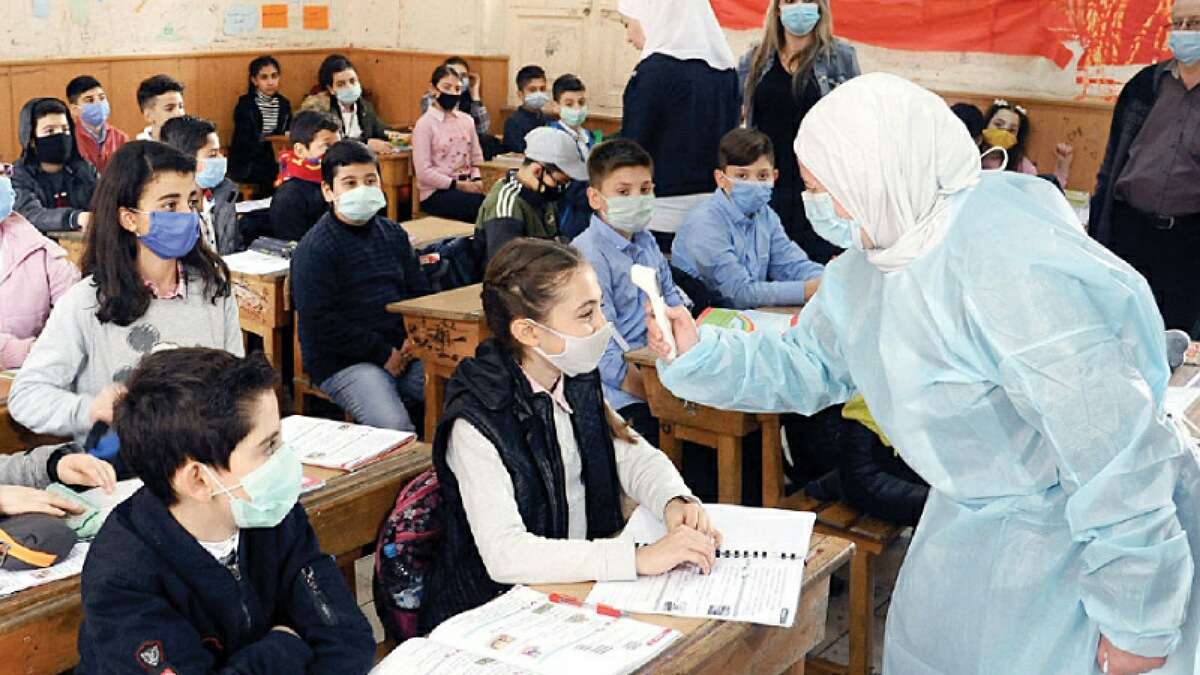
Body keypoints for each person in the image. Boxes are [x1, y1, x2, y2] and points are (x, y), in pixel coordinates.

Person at [643, 72, 1200, 675]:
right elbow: (808, 361)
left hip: (1075, 544)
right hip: (965, 524)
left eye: (820, 188)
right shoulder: (872, 265)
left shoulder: (1006, 261)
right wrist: (701, 354)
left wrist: (1136, 614)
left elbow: (1111, 447)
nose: (813, 205)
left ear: (876, 173)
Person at [420, 238, 719, 631]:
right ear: (528, 331)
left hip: (578, 585)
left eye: (600, 308)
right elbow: (506, 554)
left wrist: (673, 500)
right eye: (586, 314)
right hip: (498, 609)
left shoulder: (572, 374)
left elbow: (631, 452)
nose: (603, 325)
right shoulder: (477, 419)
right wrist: (636, 558)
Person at [76, 348, 375, 674]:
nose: (286, 459)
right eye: (269, 446)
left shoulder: (272, 512)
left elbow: (348, 638)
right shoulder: (123, 579)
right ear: (199, 480)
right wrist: (284, 647)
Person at [8, 141, 243, 447]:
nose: (187, 215)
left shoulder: (214, 289)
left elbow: (237, 386)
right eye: (170, 205)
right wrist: (89, 409)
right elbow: (26, 396)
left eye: (192, 202)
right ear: (129, 218)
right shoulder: (86, 303)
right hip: (120, 465)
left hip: (203, 458)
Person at [291, 140, 430, 432]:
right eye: (350, 183)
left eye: (370, 181)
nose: (362, 190)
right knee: (395, 428)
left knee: (461, 395)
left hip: (404, 349)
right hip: (344, 360)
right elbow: (320, 323)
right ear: (328, 191)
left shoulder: (394, 234)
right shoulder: (314, 249)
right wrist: (383, 354)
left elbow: (419, 292)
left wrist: (413, 337)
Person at [1091, 0, 1200, 338]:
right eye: (1178, 24)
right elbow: (1111, 163)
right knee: (1116, 330)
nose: (1184, 32)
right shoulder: (1143, 85)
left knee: (1172, 336)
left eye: (1195, 23)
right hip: (1129, 230)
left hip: (1187, 241)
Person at [572, 139, 689, 445]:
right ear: (595, 198)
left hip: (662, 367)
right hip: (622, 389)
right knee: (685, 448)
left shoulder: (645, 240)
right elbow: (602, 349)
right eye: (623, 192)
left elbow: (672, 300)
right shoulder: (588, 255)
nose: (637, 199)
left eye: (645, 190)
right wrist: (660, 395)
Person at [737, 0, 859, 263]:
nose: (800, 7)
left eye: (808, 0)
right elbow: (741, 118)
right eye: (791, 1)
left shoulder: (841, 57)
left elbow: (855, 124)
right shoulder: (755, 58)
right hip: (769, 186)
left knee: (819, 268)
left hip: (820, 188)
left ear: (821, 7)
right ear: (778, 8)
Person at [618, 0, 740, 251]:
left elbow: (632, 148)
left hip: (660, 216)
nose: (628, 37)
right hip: (714, 215)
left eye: (628, 24)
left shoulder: (653, 73)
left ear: (652, 17)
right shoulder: (725, 72)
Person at [672, 128, 823, 309]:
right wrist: (806, 290)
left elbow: (790, 265)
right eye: (742, 176)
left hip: (745, 316)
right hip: (702, 318)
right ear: (720, 178)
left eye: (762, 176)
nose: (753, 184)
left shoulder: (765, 214)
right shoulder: (705, 223)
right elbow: (738, 294)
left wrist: (829, 280)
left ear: (774, 177)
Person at [0, 174, 80, 369]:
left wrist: (51, 347)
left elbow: (79, 310)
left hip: (34, 373)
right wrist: (27, 350)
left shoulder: (36, 248)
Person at [474, 127, 583, 263]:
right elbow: (505, 267)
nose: (561, 188)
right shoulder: (506, 204)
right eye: (559, 182)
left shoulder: (543, 196)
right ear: (537, 171)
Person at [11, 97, 99, 233]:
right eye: (50, 131)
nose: (60, 136)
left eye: (65, 130)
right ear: (32, 140)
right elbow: (30, 214)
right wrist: (74, 218)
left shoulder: (85, 170)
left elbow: (106, 200)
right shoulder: (18, 175)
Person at [413, 65, 485, 223]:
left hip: (467, 185)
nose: (452, 93)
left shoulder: (467, 120)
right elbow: (423, 172)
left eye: (457, 89)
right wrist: (458, 185)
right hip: (437, 193)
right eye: (447, 87)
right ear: (433, 89)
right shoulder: (425, 125)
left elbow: (477, 157)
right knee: (481, 205)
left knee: (498, 198)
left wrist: (477, 180)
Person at [161, 116, 241, 255]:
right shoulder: (167, 209)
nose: (221, 159)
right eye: (212, 155)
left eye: (219, 152)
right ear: (186, 161)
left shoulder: (224, 193)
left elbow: (231, 246)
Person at [266, 111, 341, 242]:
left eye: (339, 146)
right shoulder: (290, 194)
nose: (336, 153)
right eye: (327, 146)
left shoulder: (340, 180)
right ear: (300, 150)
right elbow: (292, 244)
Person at [300, 54, 393, 155]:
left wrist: (399, 136)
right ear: (331, 89)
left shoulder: (364, 106)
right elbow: (333, 142)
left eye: (353, 81)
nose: (349, 87)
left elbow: (381, 130)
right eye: (341, 84)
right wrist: (366, 143)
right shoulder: (322, 111)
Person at [229, 55, 292, 194]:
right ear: (254, 80)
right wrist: (269, 147)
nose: (270, 82)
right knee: (271, 170)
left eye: (274, 76)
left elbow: (287, 132)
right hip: (249, 160)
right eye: (264, 77)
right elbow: (244, 140)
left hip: (277, 155)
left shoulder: (284, 104)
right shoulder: (245, 105)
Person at [419, 57, 501, 159]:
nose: (458, 78)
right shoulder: (433, 97)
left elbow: (483, 129)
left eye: (463, 75)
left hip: (466, 149)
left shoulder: (467, 98)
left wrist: (475, 95)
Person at [979, 99, 1073, 188]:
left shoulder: (1020, 164)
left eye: (1012, 130)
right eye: (998, 125)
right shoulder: (972, 152)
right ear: (986, 124)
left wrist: (1062, 166)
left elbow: (1045, 191)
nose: (1004, 132)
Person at [548, 73, 596, 239]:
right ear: (556, 106)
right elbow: (566, 186)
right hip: (567, 216)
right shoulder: (553, 138)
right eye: (569, 104)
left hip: (591, 213)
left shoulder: (589, 137)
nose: (577, 109)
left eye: (581, 103)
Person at [65, 76, 128, 174]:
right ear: (74, 109)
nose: (98, 103)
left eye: (102, 98)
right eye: (90, 100)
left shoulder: (121, 138)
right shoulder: (70, 140)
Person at [502, 65, 553, 154]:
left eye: (542, 89)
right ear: (520, 94)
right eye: (532, 90)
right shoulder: (513, 123)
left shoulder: (549, 121)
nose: (538, 94)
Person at [135, 74, 186, 141]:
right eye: (169, 109)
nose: (180, 114)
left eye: (180, 106)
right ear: (148, 116)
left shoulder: (192, 143)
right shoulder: (139, 147)